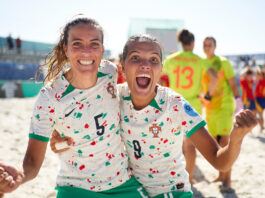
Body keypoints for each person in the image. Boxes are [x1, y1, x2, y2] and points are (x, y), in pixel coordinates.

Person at [50, 34, 257, 197]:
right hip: (130, 190)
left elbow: (220, 162)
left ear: (160, 70)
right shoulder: (113, 97)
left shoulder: (174, 105)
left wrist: (236, 139)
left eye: (153, 60)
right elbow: (66, 136)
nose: (145, 65)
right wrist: (60, 140)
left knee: (190, 148)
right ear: (122, 66)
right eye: (135, 58)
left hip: (172, 191)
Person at [0, 16, 147, 198]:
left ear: (102, 49)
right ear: (66, 49)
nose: (86, 51)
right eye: (77, 44)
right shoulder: (49, 97)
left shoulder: (110, 72)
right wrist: (20, 176)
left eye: (94, 44)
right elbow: (32, 160)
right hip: (76, 187)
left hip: (123, 183)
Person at [162, 29, 204, 183]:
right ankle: (190, 177)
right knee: (190, 145)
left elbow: (161, 77)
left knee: (171, 144)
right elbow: (212, 76)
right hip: (193, 105)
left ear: (181, 42)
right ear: (193, 43)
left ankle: (173, 179)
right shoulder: (200, 60)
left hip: (174, 103)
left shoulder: (171, 59)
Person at [201, 36, 243, 191]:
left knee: (226, 141)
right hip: (211, 108)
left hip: (224, 106)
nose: (207, 47)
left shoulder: (223, 62)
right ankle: (220, 174)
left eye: (209, 45)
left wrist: (239, 103)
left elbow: (232, 83)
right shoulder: (202, 63)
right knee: (216, 143)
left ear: (215, 46)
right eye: (204, 45)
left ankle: (228, 179)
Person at [254, 67, 265, 131]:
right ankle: (261, 127)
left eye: (260, 74)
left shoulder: (263, 81)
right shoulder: (257, 81)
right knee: (260, 114)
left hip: (262, 99)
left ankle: (261, 127)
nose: (258, 76)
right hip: (258, 99)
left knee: (260, 114)